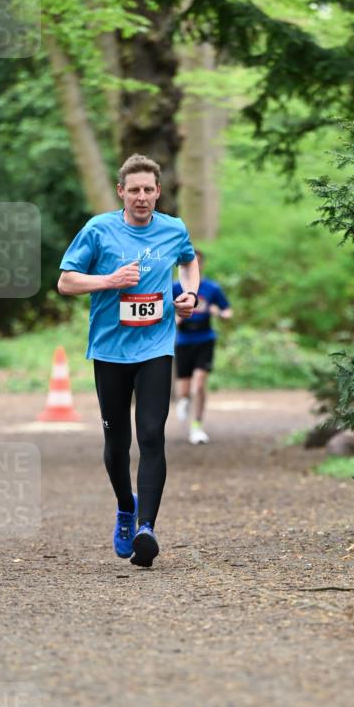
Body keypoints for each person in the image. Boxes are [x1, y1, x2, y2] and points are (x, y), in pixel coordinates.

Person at [57, 154, 199, 568]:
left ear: (158, 192)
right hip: (110, 351)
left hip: (156, 347)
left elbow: (189, 261)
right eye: (133, 190)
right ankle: (125, 506)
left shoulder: (173, 229)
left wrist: (189, 294)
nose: (141, 197)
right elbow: (65, 281)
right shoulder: (98, 229)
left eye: (148, 190)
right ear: (121, 191)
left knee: (152, 435)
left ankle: (146, 529)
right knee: (117, 444)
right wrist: (109, 280)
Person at [172, 250, 232, 444]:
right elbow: (165, 313)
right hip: (183, 341)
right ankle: (183, 401)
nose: (193, 266)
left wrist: (218, 313)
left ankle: (197, 426)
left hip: (205, 340)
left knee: (198, 385)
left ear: (201, 265)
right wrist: (176, 319)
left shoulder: (212, 288)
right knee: (183, 391)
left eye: (197, 262)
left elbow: (228, 312)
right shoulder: (174, 287)